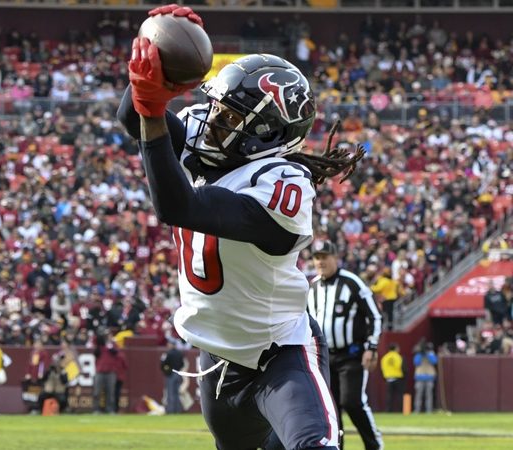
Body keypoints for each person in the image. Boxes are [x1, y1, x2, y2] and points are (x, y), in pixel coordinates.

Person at [117, 5, 364, 449]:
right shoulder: (205, 134)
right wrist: (155, 47)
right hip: (217, 363)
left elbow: (179, 206)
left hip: (279, 357)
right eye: (216, 107)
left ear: (267, 135)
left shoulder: (283, 185)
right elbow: (133, 117)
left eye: (230, 118)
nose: (211, 121)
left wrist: (153, 109)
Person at [309, 240, 384, 449]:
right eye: (317, 258)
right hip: (324, 357)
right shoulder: (312, 287)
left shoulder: (352, 283)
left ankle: (374, 445)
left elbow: (375, 316)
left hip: (352, 355)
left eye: (325, 257)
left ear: (335, 258)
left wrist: (371, 347)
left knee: (352, 402)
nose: (321, 262)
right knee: (330, 409)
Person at [92, 328, 118, 415]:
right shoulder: (100, 346)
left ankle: (109, 409)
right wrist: (100, 343)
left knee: (110, 392)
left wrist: (109, 345)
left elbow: (116, 353)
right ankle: (96, 409)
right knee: (97, 391)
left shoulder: (113, 345)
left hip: (110, 371)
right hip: (100, 370)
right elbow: (96, 353)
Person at [159, 339, 185, 414]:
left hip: (170, 374)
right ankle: (177, 410)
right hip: (178, 373)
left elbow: (162, 363)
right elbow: (182, 364)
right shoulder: (179, 353)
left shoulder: (168, 353)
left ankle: (170, 410)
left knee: (170, 392)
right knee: (176, 393)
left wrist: (167, 371)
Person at [413, 341, 437, 414]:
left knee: (429, 395)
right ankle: (417, 410)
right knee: (418, 395)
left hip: (429, 377)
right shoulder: (418, 355)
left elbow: (434, 361)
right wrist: (420, 353)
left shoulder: (431, 354)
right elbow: (416, 362)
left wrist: (427, 353)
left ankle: (429, 410)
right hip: (420, 377)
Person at [381, 343, 405, 413]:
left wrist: (385, 378)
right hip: (398, 378)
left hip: (388, 379)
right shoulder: (399, 357)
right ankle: (400, 410)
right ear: (396, 348)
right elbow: (403, 368)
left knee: (389, 396)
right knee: (400, 396)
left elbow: (382, 369)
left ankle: (388, 410)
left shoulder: (385, 357)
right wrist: (404, 378)